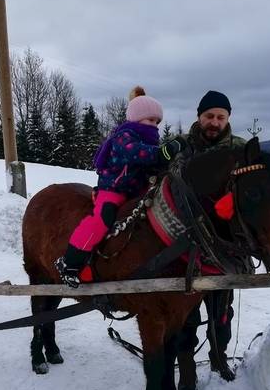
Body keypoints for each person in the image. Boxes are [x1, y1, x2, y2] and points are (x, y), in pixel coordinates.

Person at [55, 86, 187, 287]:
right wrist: (161, 153)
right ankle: (71, 262)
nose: (154, 125)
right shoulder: (124, 136)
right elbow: (135, 153)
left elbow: (155, 162)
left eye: (157, 121)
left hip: (137, 189)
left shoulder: (151, 141)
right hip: (114, 189)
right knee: (103, 218)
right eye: (150, 120)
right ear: (136, 118)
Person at [176, 90, 248, 390]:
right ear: (199, 117)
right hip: (183, 245)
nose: (214, 122)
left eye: (220, 117)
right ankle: (187, 371)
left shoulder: (242, 150)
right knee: (185, 315)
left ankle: (219, 360)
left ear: (228, 118)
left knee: (221, 310)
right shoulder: (182, 146)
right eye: (209, 116)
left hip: (224, 247)